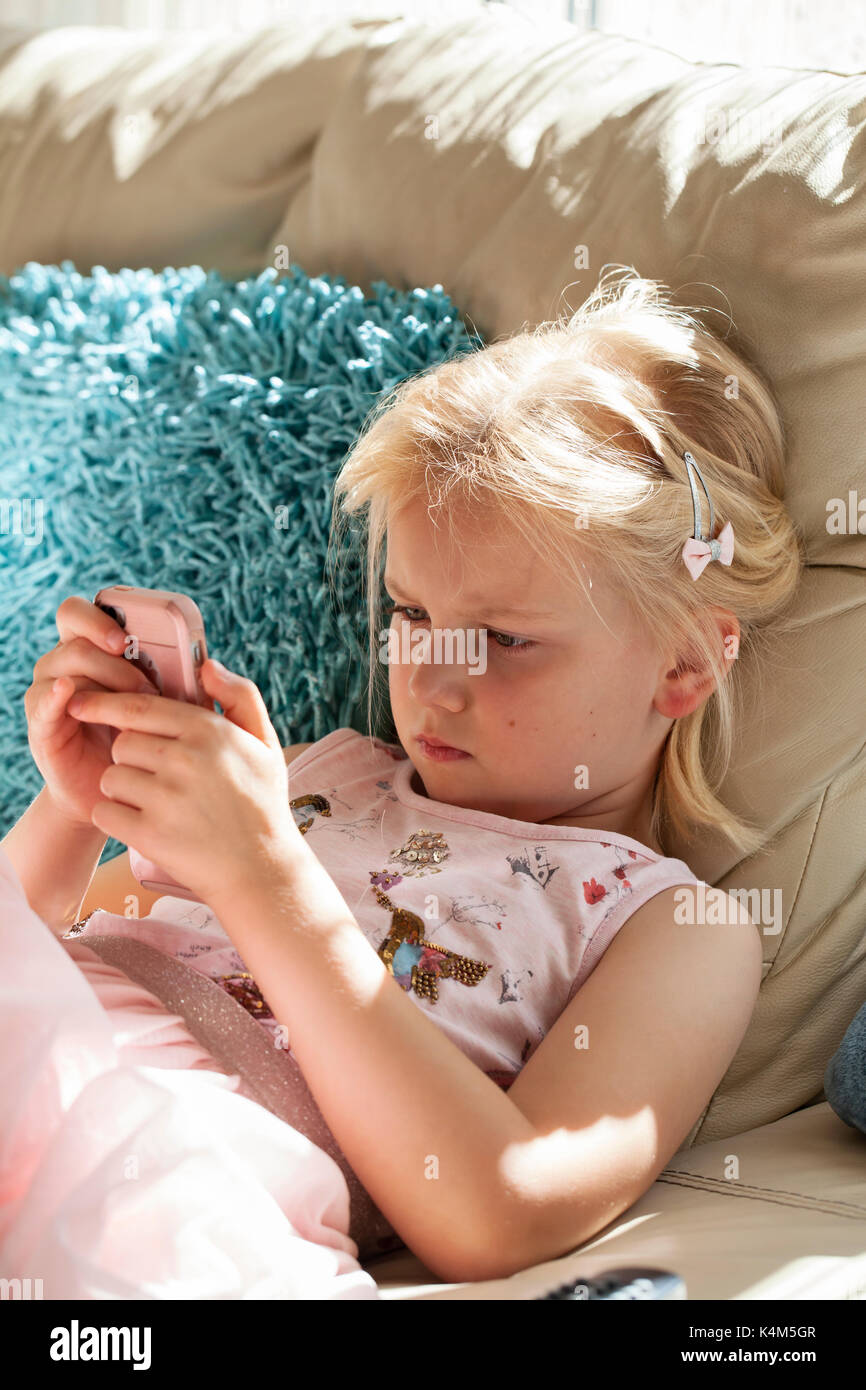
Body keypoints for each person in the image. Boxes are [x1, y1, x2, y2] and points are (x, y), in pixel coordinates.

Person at [0, 266, 805, 1299]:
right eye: (410, 615)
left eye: (504, 639)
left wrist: (263, 879)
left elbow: (495, 1209)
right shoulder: (317, 773)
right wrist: (76, 807)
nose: (427, 676)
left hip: (179, 1151)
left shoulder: (669, 927)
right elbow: (46, 952)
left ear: (684, 664)